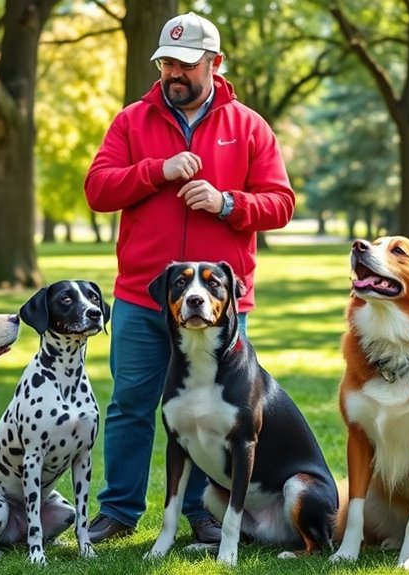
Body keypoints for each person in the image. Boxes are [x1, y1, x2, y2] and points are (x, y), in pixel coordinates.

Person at [83, 12, 296, 544]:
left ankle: (205, 511)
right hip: (143, 298)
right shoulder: (132, 120)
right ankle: (120, 511)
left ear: (214, 64)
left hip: (220, 307)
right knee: (130, 404)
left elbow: (281, 204)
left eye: (185, 63)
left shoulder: (248, 126)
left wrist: (228, 203)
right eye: (166, 63)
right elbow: (99, 189)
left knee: (218, 414)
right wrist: (155, 171)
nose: (173, 73)